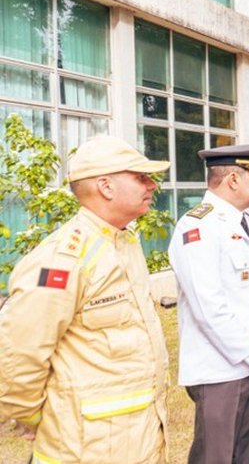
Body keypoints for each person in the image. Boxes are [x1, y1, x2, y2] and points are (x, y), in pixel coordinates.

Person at [0, 136, 169, 463]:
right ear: (106, 187)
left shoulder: (123, 241)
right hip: (85, 449)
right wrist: (38, 418)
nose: (152, 185)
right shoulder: (62, 259)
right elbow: (18, 355)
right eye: (141, 177)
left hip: (134, 439)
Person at [168, 143, 249, 463]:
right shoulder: (197, 227)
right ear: (233, 179)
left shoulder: (246, 223)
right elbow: (208, 307)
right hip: (220, 371)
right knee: (216, 456)